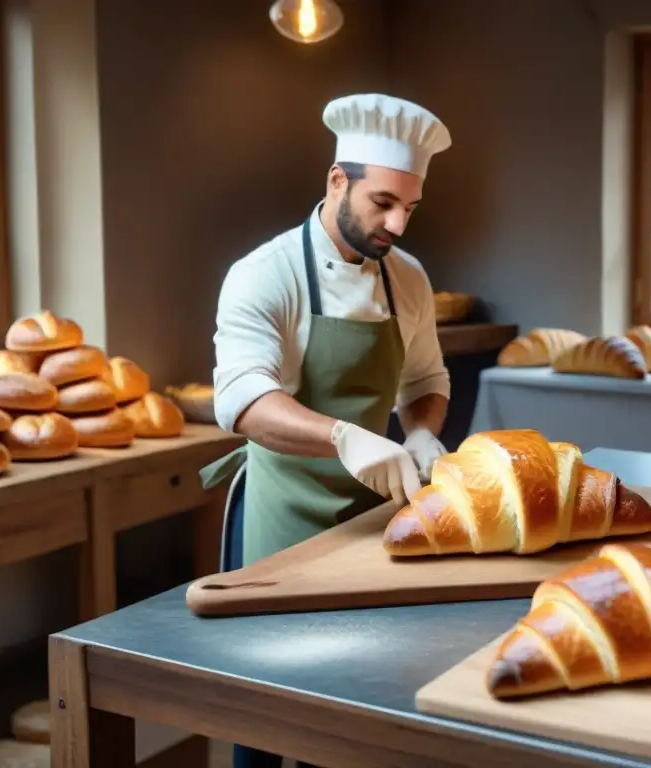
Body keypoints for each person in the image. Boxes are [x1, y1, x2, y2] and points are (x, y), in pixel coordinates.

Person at [199, 93, 453, 768]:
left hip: (372, 529)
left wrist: (421, 434)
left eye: (410, 207)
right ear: (337, 181)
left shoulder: (409, 280)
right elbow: (244, 398)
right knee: (264, 715)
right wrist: (344, 436)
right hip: (280, 527)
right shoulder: (265, 274)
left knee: (345, 722)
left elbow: (425, 383)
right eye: (383, 202)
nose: (397, 223)